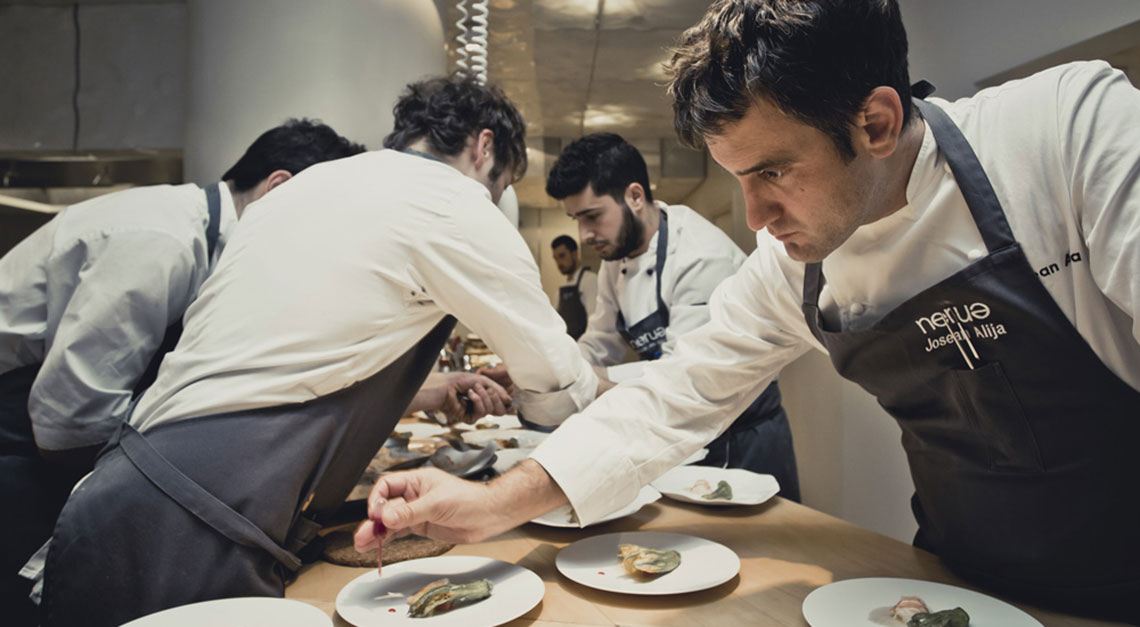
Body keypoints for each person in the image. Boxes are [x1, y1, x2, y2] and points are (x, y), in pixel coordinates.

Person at [356, 1, 1140, 623]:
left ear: (875, 123)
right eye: (737, 177)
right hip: (953, 580)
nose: (755, 215)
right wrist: (494, 502)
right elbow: (674, 397)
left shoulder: (1065, 135)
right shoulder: (790, 266)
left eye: (772, 170)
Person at [28, 74, 599, 627]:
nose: (496, 199)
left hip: (122, 491)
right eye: (502, 186)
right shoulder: (455, 200)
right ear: (484, 147)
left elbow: (295, 359)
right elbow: (556, 385)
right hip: (199, 519)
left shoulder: (304, 188)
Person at [0, 118, 364, 625]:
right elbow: (68, 424)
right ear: (278, 188)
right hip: (14, 439)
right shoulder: (163, 238)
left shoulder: (209, 247)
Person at [546, 133, 798, 497]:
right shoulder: (615, 260)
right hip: (680, 431)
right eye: (576, 219)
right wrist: (559, 371)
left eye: (592, 216)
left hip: (741, 436)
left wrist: (588, 380)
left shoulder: (700, 255)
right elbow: (600, 342)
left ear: (634, 196)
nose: (584, 235)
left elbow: (684, 373)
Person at [550, 234, 597, 339]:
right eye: (555, 258)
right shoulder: (559, 291)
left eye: (562, 256)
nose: (559, 263)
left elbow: (594, 322)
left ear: (574, 253)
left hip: (586, 348)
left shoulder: (590, 280)